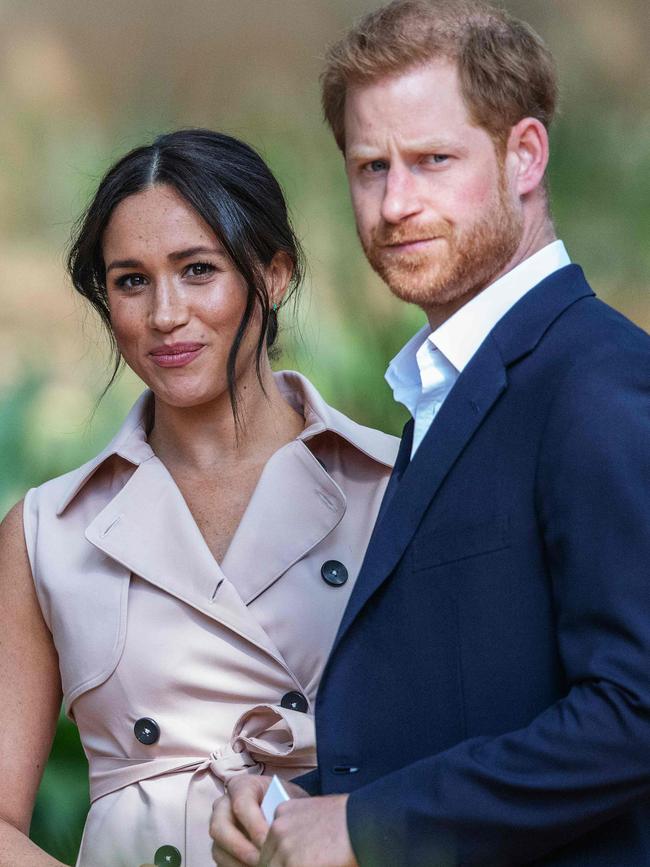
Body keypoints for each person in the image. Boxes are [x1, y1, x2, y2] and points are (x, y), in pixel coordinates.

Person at [210, 1, 650, 865]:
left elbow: (635, 709)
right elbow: (475, 696)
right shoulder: (448, 386)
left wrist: (369, 826)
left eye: (432, 160)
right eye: (370, 167)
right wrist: (301, 808)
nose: (395, 203)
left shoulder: (599, 381)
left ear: (524, 154)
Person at [0, 128, 399, 867]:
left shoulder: (393, 487)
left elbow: (470, 762)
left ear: (273, 275)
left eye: (197, 270)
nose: (165, 314)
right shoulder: (47, 532)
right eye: (131, 280)